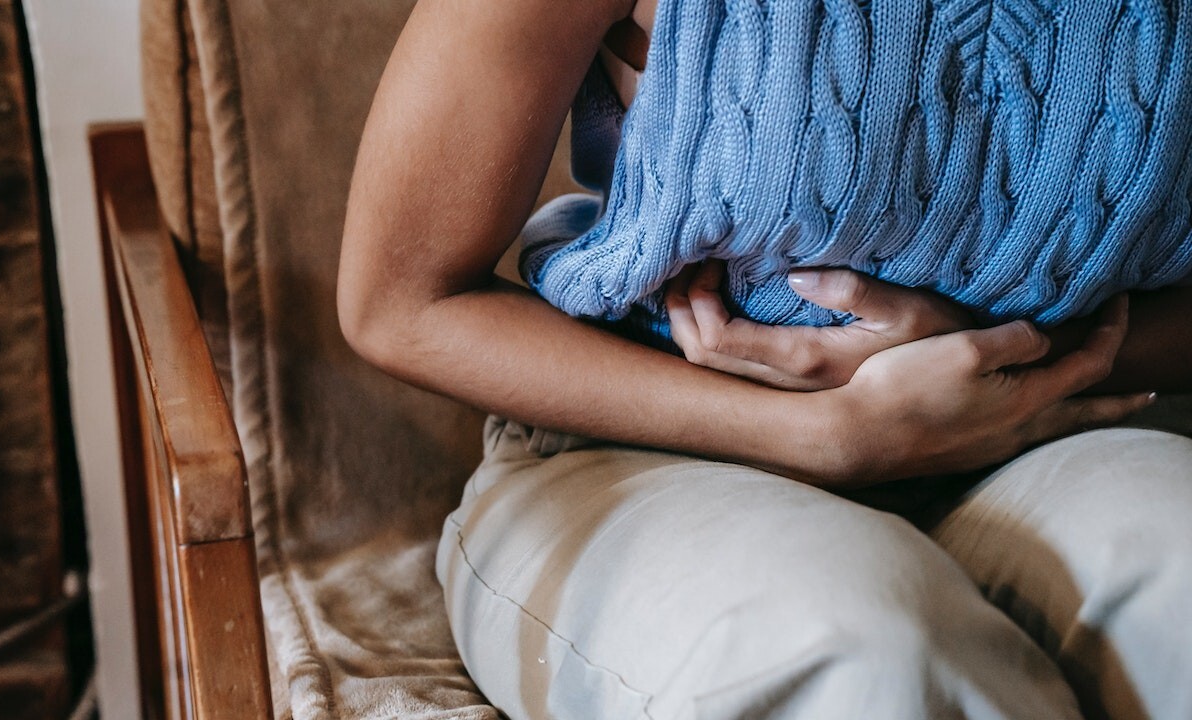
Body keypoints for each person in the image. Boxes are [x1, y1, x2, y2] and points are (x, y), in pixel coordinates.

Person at [338, 0, 1192, 717]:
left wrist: (984, 359)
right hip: (645, 457)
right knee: (870, 658)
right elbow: (400, 300)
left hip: (1041, 433)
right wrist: (823, 432)